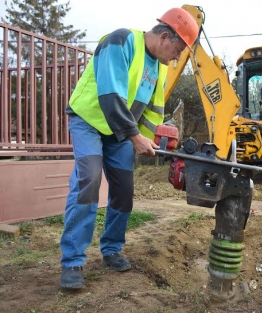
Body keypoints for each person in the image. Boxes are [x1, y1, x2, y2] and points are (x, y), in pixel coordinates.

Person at [59, 7, 199, 289]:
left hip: (120, 132)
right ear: (164, 37)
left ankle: (111, 248)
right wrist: (135, 138)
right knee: (89, 179)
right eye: (179, 50)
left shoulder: (157, 68)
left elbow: (152, 111)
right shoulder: (120, 41)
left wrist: (154, 146)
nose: (176, 58)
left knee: (124, 188)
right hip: (89, 120)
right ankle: (72, 261)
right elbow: (111, 97)